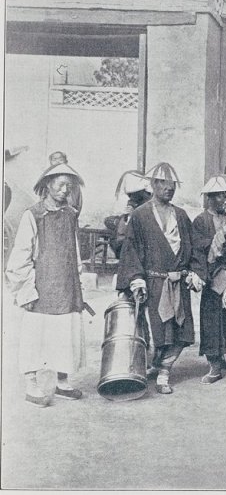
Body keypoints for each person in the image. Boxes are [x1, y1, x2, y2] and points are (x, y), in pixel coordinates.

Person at [116, 163, 204, 394]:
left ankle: (165, 370)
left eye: (172, 184)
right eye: (163, 183)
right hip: (153, 283)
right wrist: (136, 279)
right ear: (153, 185)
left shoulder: (181, 215)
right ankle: (155, 364)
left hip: (178, 283)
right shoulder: (140, 215)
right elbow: (131, 250)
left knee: (182, 331)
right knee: (157, 331)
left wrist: (196, 272)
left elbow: (194, 247)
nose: (168, 188)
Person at [6, 162, 87, 406]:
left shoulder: (71, 214)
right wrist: (26, 291)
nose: (65, 190)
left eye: (69, 186)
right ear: (48, 185)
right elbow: (21, 255)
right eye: (60, 185)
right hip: (41, 289)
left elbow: (74, 251)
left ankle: (62, 381)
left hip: (67, 286)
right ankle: (32, 384)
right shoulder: (33, 215)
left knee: (65, 335)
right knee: (36, 338)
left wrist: (78, 281)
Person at [190, 176, 226, 384]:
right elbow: (199, 248)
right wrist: (222, 233)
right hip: (213, 277)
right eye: (216, 196)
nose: (222, 200)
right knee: (212, 322)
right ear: (208, 198)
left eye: (225, 196)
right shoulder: (200, 221)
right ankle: (215, 365)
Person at [105, 170, 152, 258]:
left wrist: (133, 215)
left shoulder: (146, 199)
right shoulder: (133, 199)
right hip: (126, 237)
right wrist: (121, 219)